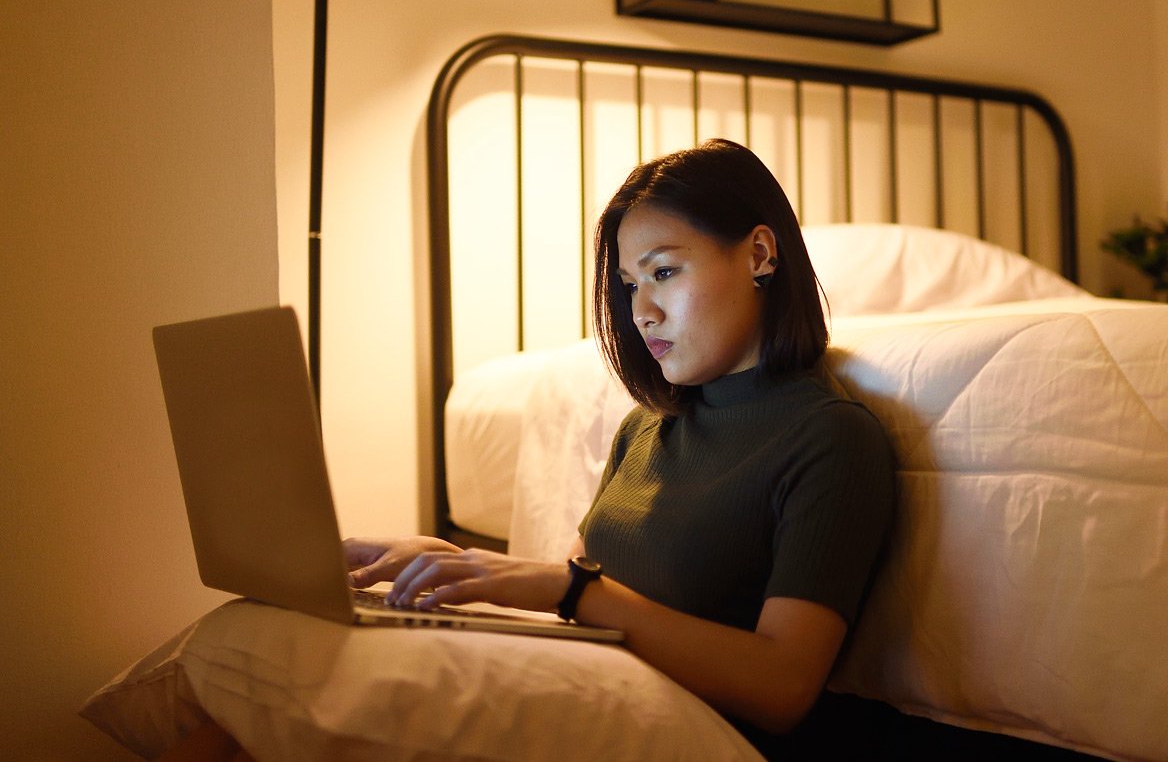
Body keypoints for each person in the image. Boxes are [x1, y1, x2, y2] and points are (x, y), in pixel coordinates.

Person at [165, 139, 896, 759]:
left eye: (665, 272)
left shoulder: (830, 437)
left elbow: (784, 688)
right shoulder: (649, 426)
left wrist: (572, 590)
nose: (641, 311)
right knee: (261, 639)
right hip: (599, 694)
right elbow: (581, 597)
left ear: (761, 253)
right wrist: (455, 565)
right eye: (629, 284)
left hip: (694, 733)